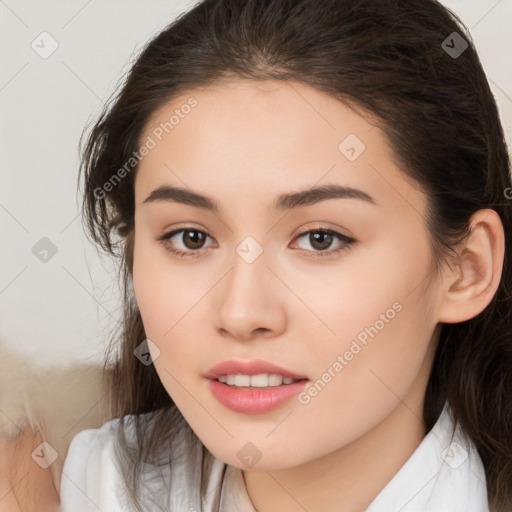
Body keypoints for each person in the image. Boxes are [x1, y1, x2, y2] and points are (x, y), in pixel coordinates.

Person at [6, 0, 512, 511]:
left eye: (320, 238)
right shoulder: (56, 489)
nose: (242, 313)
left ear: (466, 268)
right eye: (190, 238)